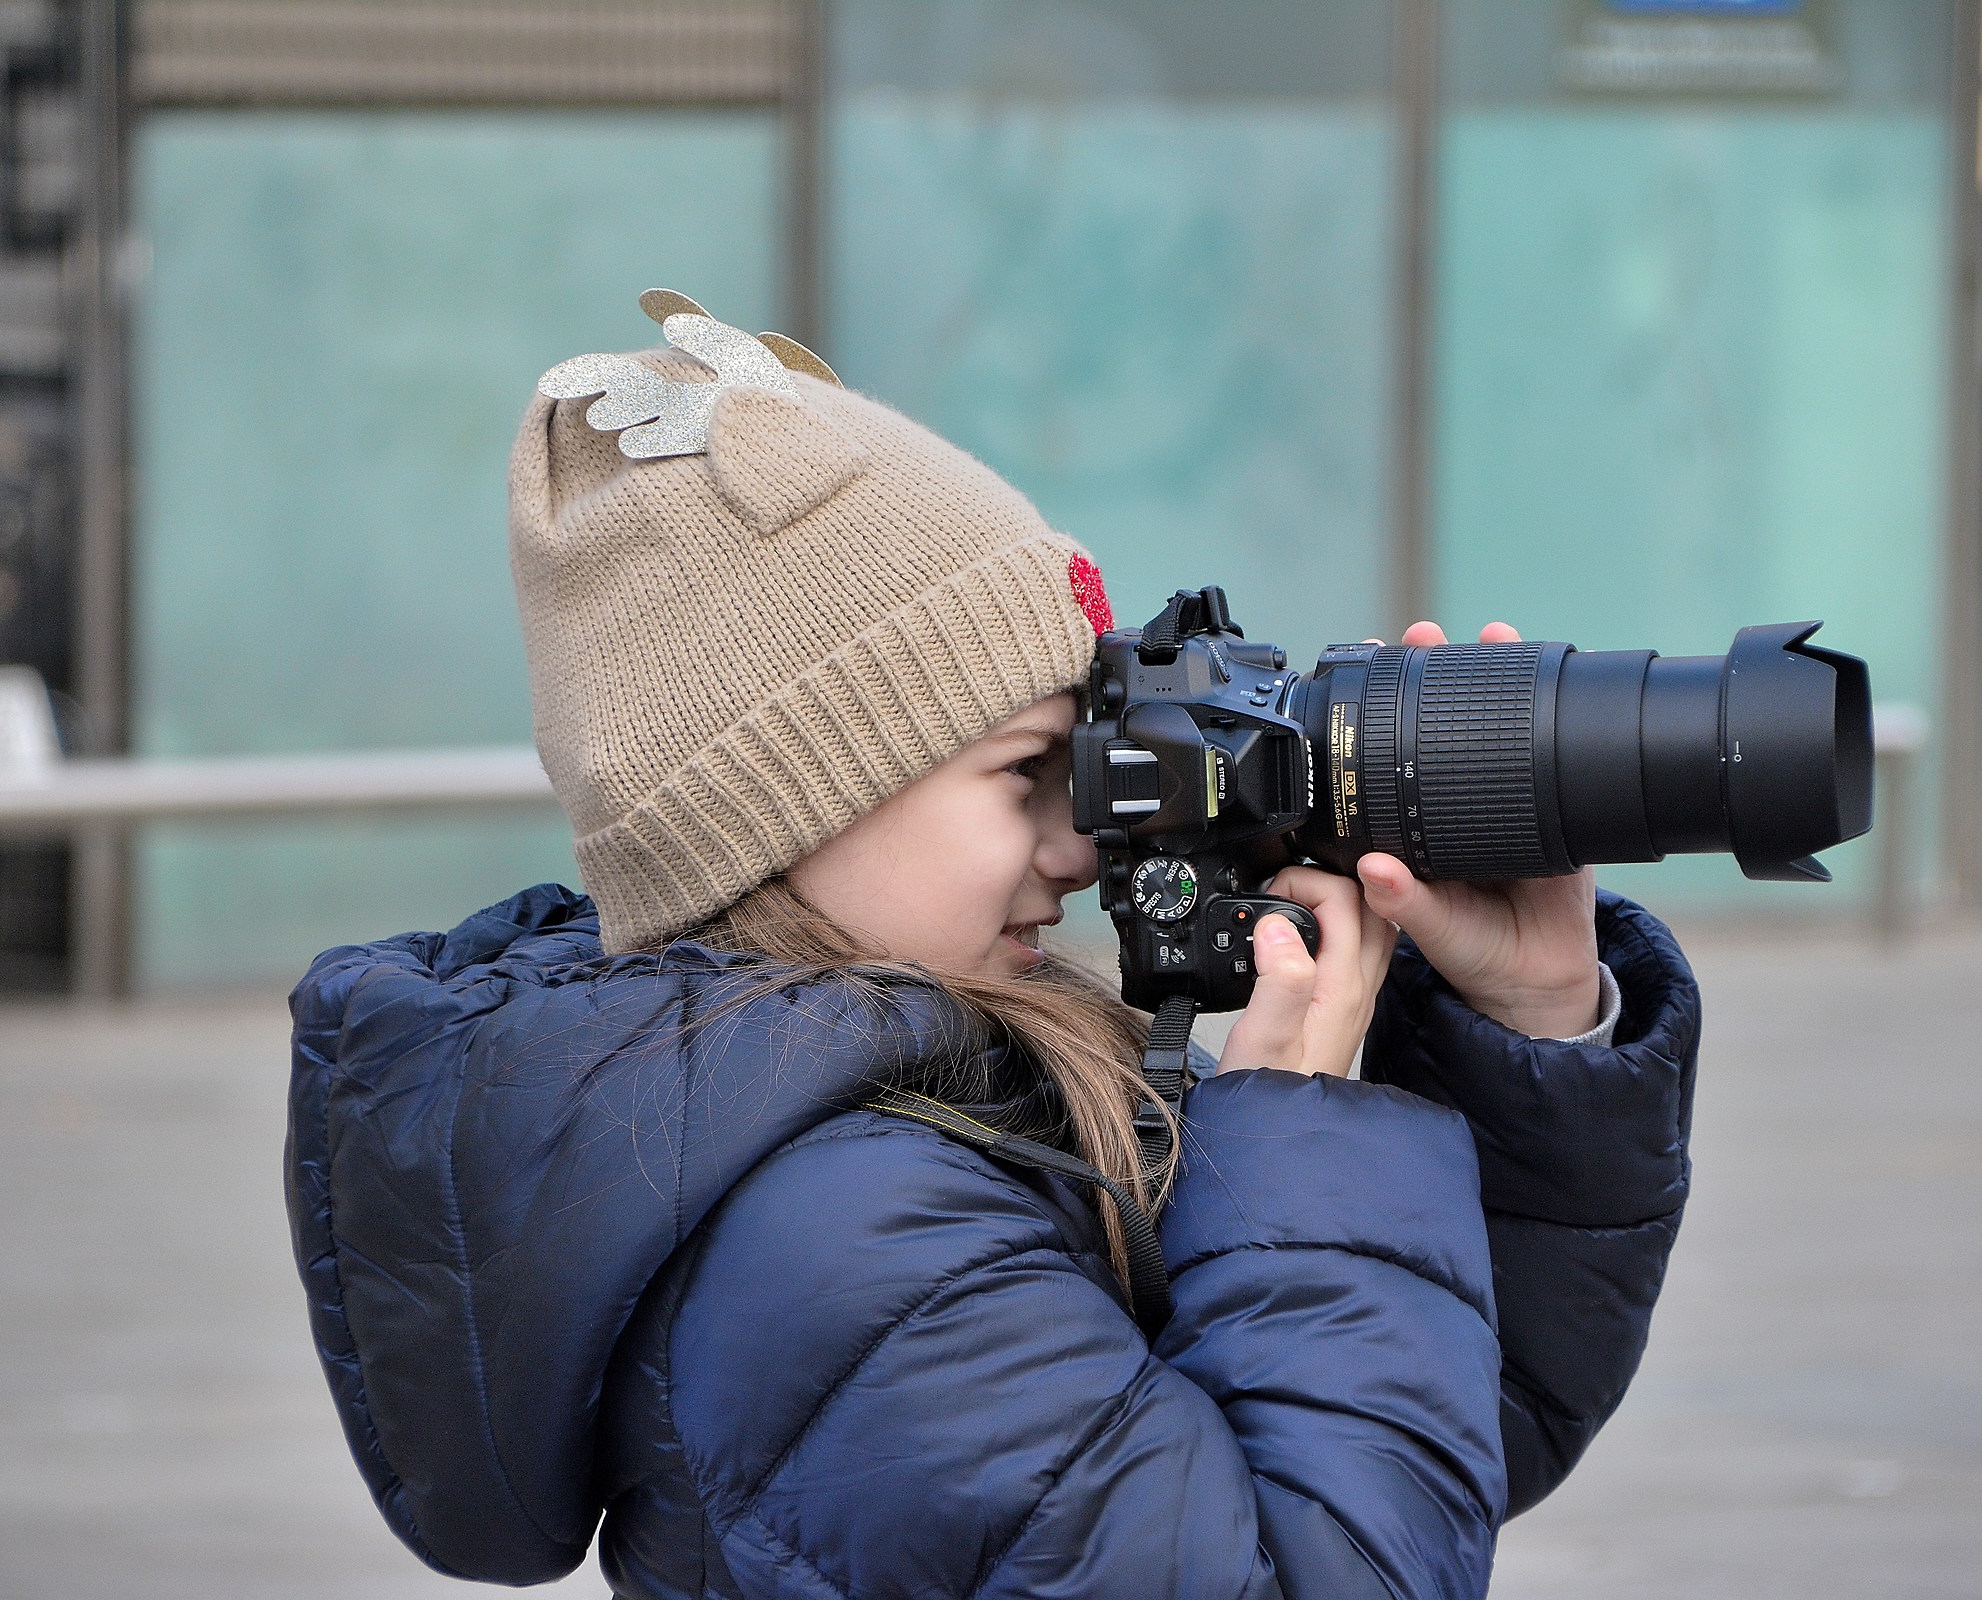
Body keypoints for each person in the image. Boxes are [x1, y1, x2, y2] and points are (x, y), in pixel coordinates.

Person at [285, 297, 1701, 1599]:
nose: (1080, 844)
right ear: (793, 806)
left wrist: (1531, 1027)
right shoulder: (841, 1243)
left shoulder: (918, 1122)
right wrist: (1298, 1136)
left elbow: (1434, 1442)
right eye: (1022, 772)